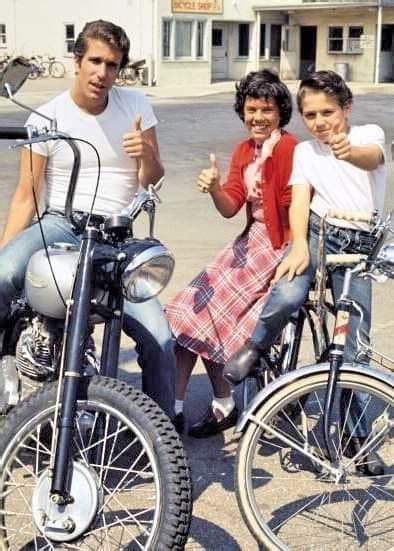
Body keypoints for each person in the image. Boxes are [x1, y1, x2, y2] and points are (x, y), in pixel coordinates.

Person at [0, 19, 175, 418]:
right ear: (77, 61)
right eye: (95, 61)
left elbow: (154, 179)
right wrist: (8, 252)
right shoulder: (46, 116)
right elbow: (26, 196)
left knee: (160, 339)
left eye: (112, 65)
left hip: (118, 235)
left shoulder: (136, 106)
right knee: (1, 274)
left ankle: (162, 438)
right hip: (62, 225)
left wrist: (143, 154)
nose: (102, 73)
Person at [225, 70, 386, 476]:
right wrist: (298, 245)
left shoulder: (368, 134)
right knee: (288, 294)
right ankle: (255, 348)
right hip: (316, 235)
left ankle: (357, 437)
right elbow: (299, 202)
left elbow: (371, 158)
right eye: (310, 115)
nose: (319, 122)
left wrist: (348, 151)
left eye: (328, 112)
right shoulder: (306, 152)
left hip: (359, 245)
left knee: (353, 346)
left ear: (347, 108)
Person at [165, 70, 297, 437]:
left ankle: (223, 404)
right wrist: (214, 187)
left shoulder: (288, 148)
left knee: (213, 318)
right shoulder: (243, 150)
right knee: (184, 309)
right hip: (249, 243)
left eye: (267, 109)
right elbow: (230, 206)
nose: (258, 117)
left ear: (280, 113)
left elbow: (293, 206)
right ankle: (173, 410)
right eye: (251, 108)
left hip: (279, 248)